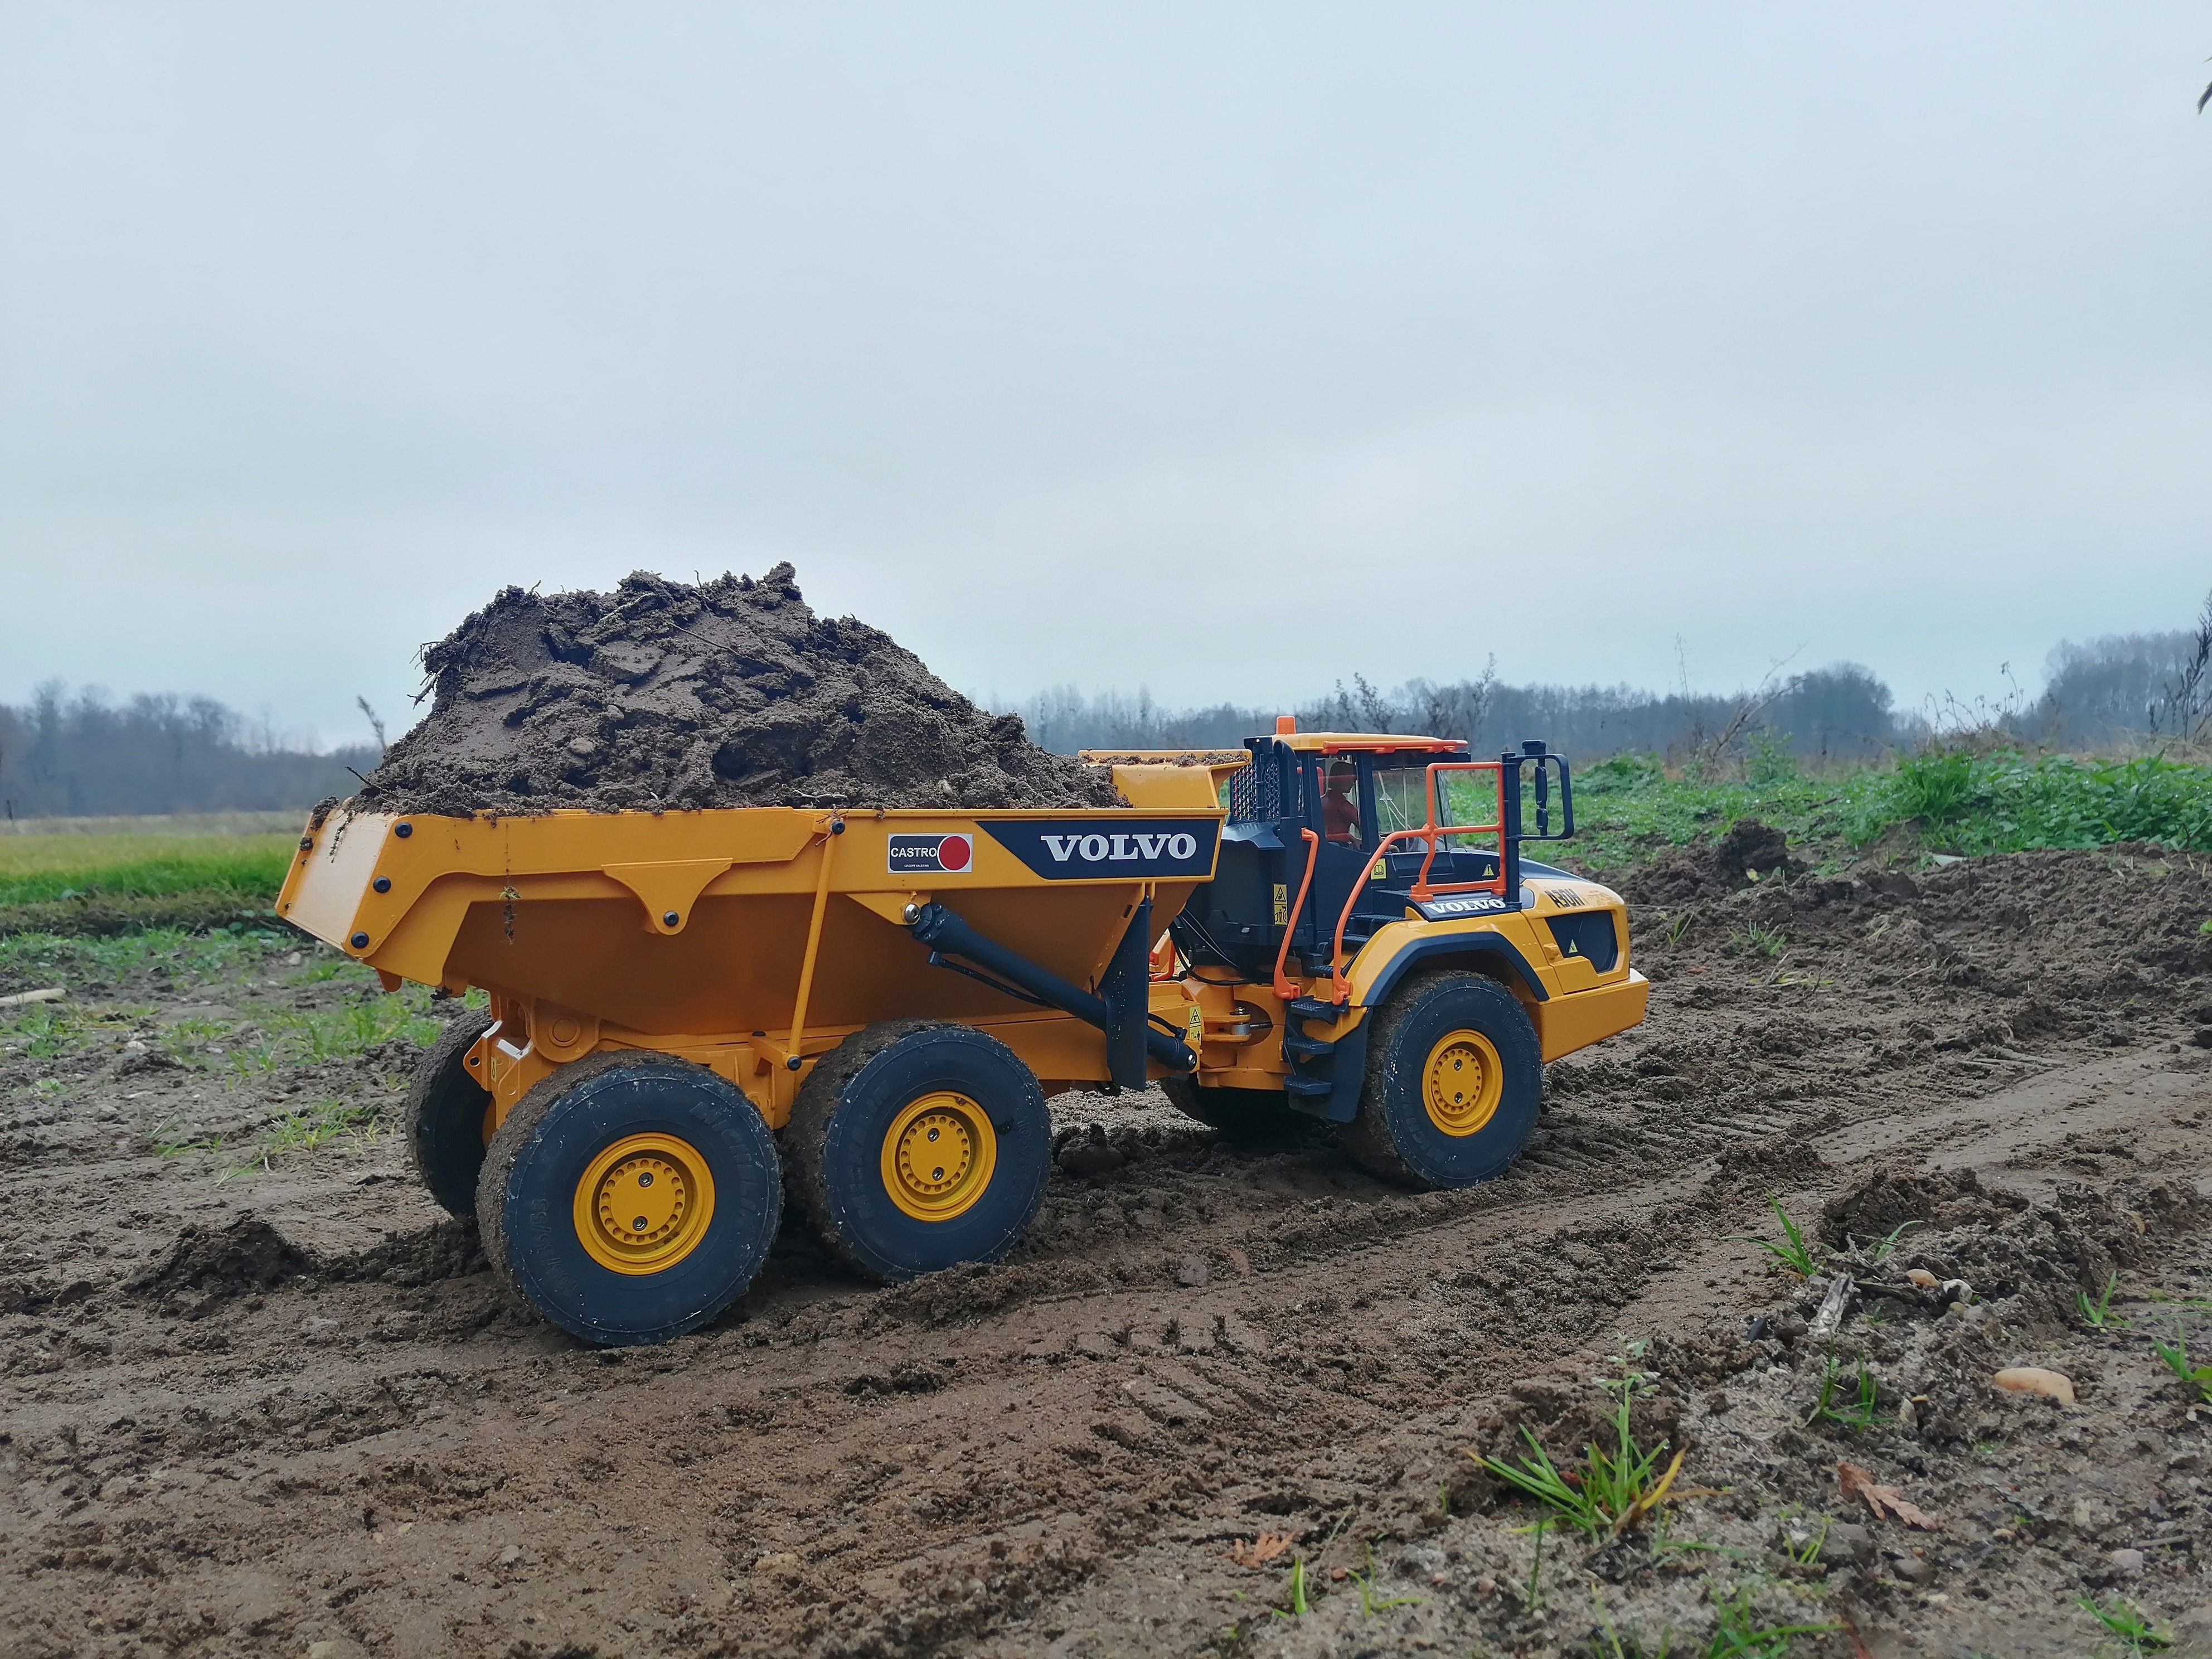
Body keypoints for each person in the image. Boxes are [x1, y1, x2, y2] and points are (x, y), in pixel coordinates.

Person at [1321, 760, 1361, 844]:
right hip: (1340, 848)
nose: (1353, 784)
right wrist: (1385, 844)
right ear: (1343, 779)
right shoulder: (1343, 806)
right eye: (1352, 779)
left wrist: (1352, 838)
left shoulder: (1321, 801)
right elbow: (1366, 828)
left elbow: (1332, 833)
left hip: (1323, 847)